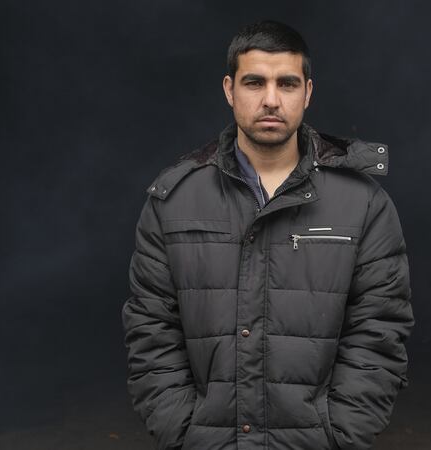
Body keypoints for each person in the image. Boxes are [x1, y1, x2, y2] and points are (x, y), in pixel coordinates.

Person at [122, 19, 414, 450]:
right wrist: (184, 430)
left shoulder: (364, 204)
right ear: (229, 90)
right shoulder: (173, 201)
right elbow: (151, 329)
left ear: (308, 93)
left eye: (288, 83)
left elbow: (380, 330)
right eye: (254, 82)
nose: (271, 99)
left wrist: (339, 434)